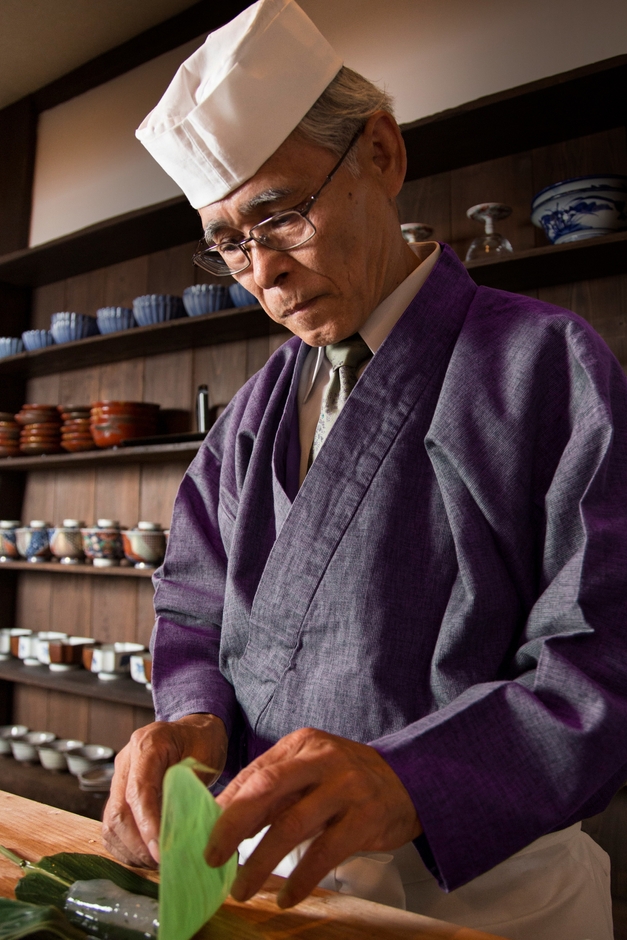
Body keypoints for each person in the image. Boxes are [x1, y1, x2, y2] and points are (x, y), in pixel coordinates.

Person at [103, 2, 627, 937]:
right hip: (273, 878)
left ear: (380, 155)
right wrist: (193, 722)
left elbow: (605, 652)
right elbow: (193, 607)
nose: (260, 271)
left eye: (279, 214)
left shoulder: (543, 364)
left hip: (487, 897)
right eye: (227, 241)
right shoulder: (254, 412)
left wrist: (413, 778)